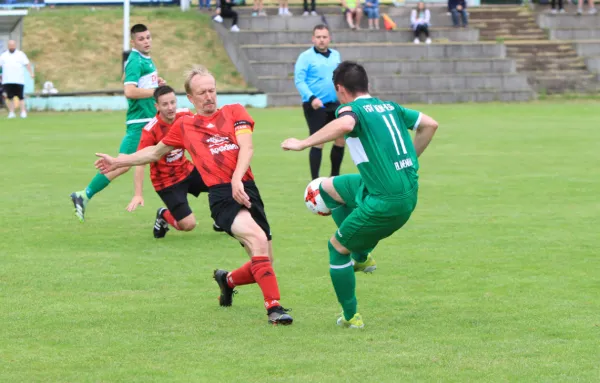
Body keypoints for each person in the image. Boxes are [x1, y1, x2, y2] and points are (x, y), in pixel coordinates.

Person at [94, 65, 293, 326]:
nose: (209, 96)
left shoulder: (235, 112)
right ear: (190, 98)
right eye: (202, 93)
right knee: (256, 239)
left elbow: (247, 146)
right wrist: (118, 162)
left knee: (265, 262)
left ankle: (228, 280)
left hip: (246, 187)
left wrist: (237, 179)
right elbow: (154, 153)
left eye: (212, 90)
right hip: (222, 195)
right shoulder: (185, 125)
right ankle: (274, 309)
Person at [281, 61, 439, 329]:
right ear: (367, 84)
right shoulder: (391, 107)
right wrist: (410, 160)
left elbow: (344, 125)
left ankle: (351, 316)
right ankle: (362, 255)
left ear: (340, 89)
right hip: (396, 187)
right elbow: (430, 124)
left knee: (336, 248)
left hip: (387, 201)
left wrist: (304, 143)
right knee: (326, 188)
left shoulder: (350, 108)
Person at [70, 24, 165, 222]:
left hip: (149, 119)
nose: (146, 41)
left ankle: (84, 195)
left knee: (126, 164)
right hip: (139, 122)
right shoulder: (135, 61)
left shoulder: (144, 59)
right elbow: (129, 91)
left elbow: (136, 82)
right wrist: (156, 92)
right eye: (141, 39)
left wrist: (156, 85)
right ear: (133, 42)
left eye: (148, 37)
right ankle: (84, 195)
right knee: (126, 163)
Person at [128, 85, 222, 238]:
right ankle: (164, 215)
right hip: (166, 182)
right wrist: (138, 194)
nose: (170, 107)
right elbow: (140, 162)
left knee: (222, 182)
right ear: (156, 106)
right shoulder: (150, 130)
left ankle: (220, 219)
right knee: (188, 225)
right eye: (165, 104)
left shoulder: (184, 115)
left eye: (172, 102)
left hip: (187, 170)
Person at [294, 24, 345, 181]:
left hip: (335, 103)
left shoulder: (336, 55)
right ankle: (315, 181)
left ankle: (334, 176)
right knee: (318, 141)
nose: (321, 40)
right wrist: (311, 98)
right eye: (318, 37)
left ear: (329, 38)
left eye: (324, 37)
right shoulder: (305, 57)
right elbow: (299, 80)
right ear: (313, 38)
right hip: (315, 105)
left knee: (340, 138)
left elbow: (340, 78)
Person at [0, 40, 34, 119]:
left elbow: (27, 64)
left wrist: (31, 73)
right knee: (10, 97)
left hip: (19, 80)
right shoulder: (3, 55)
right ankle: (11, 112)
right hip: (7, 80)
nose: (11, 47)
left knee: (20, 97)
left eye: (13, 45)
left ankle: (23, 112)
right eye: (10, 45)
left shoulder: (20, 54)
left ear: (15, 45)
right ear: (8, 46)